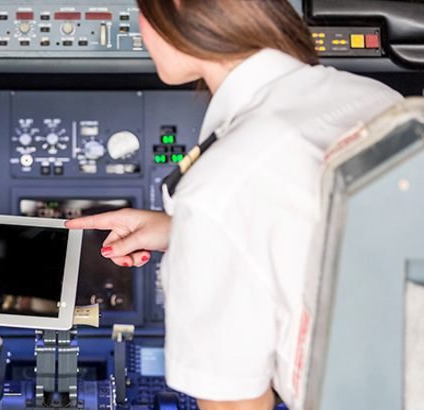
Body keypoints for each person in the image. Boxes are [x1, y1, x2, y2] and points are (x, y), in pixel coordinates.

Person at [66, 0, 402, 409]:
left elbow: (236, 404)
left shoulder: (220, 187)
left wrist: (204, 222)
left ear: (176, 9)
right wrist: (181, 231)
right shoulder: (371, 95)